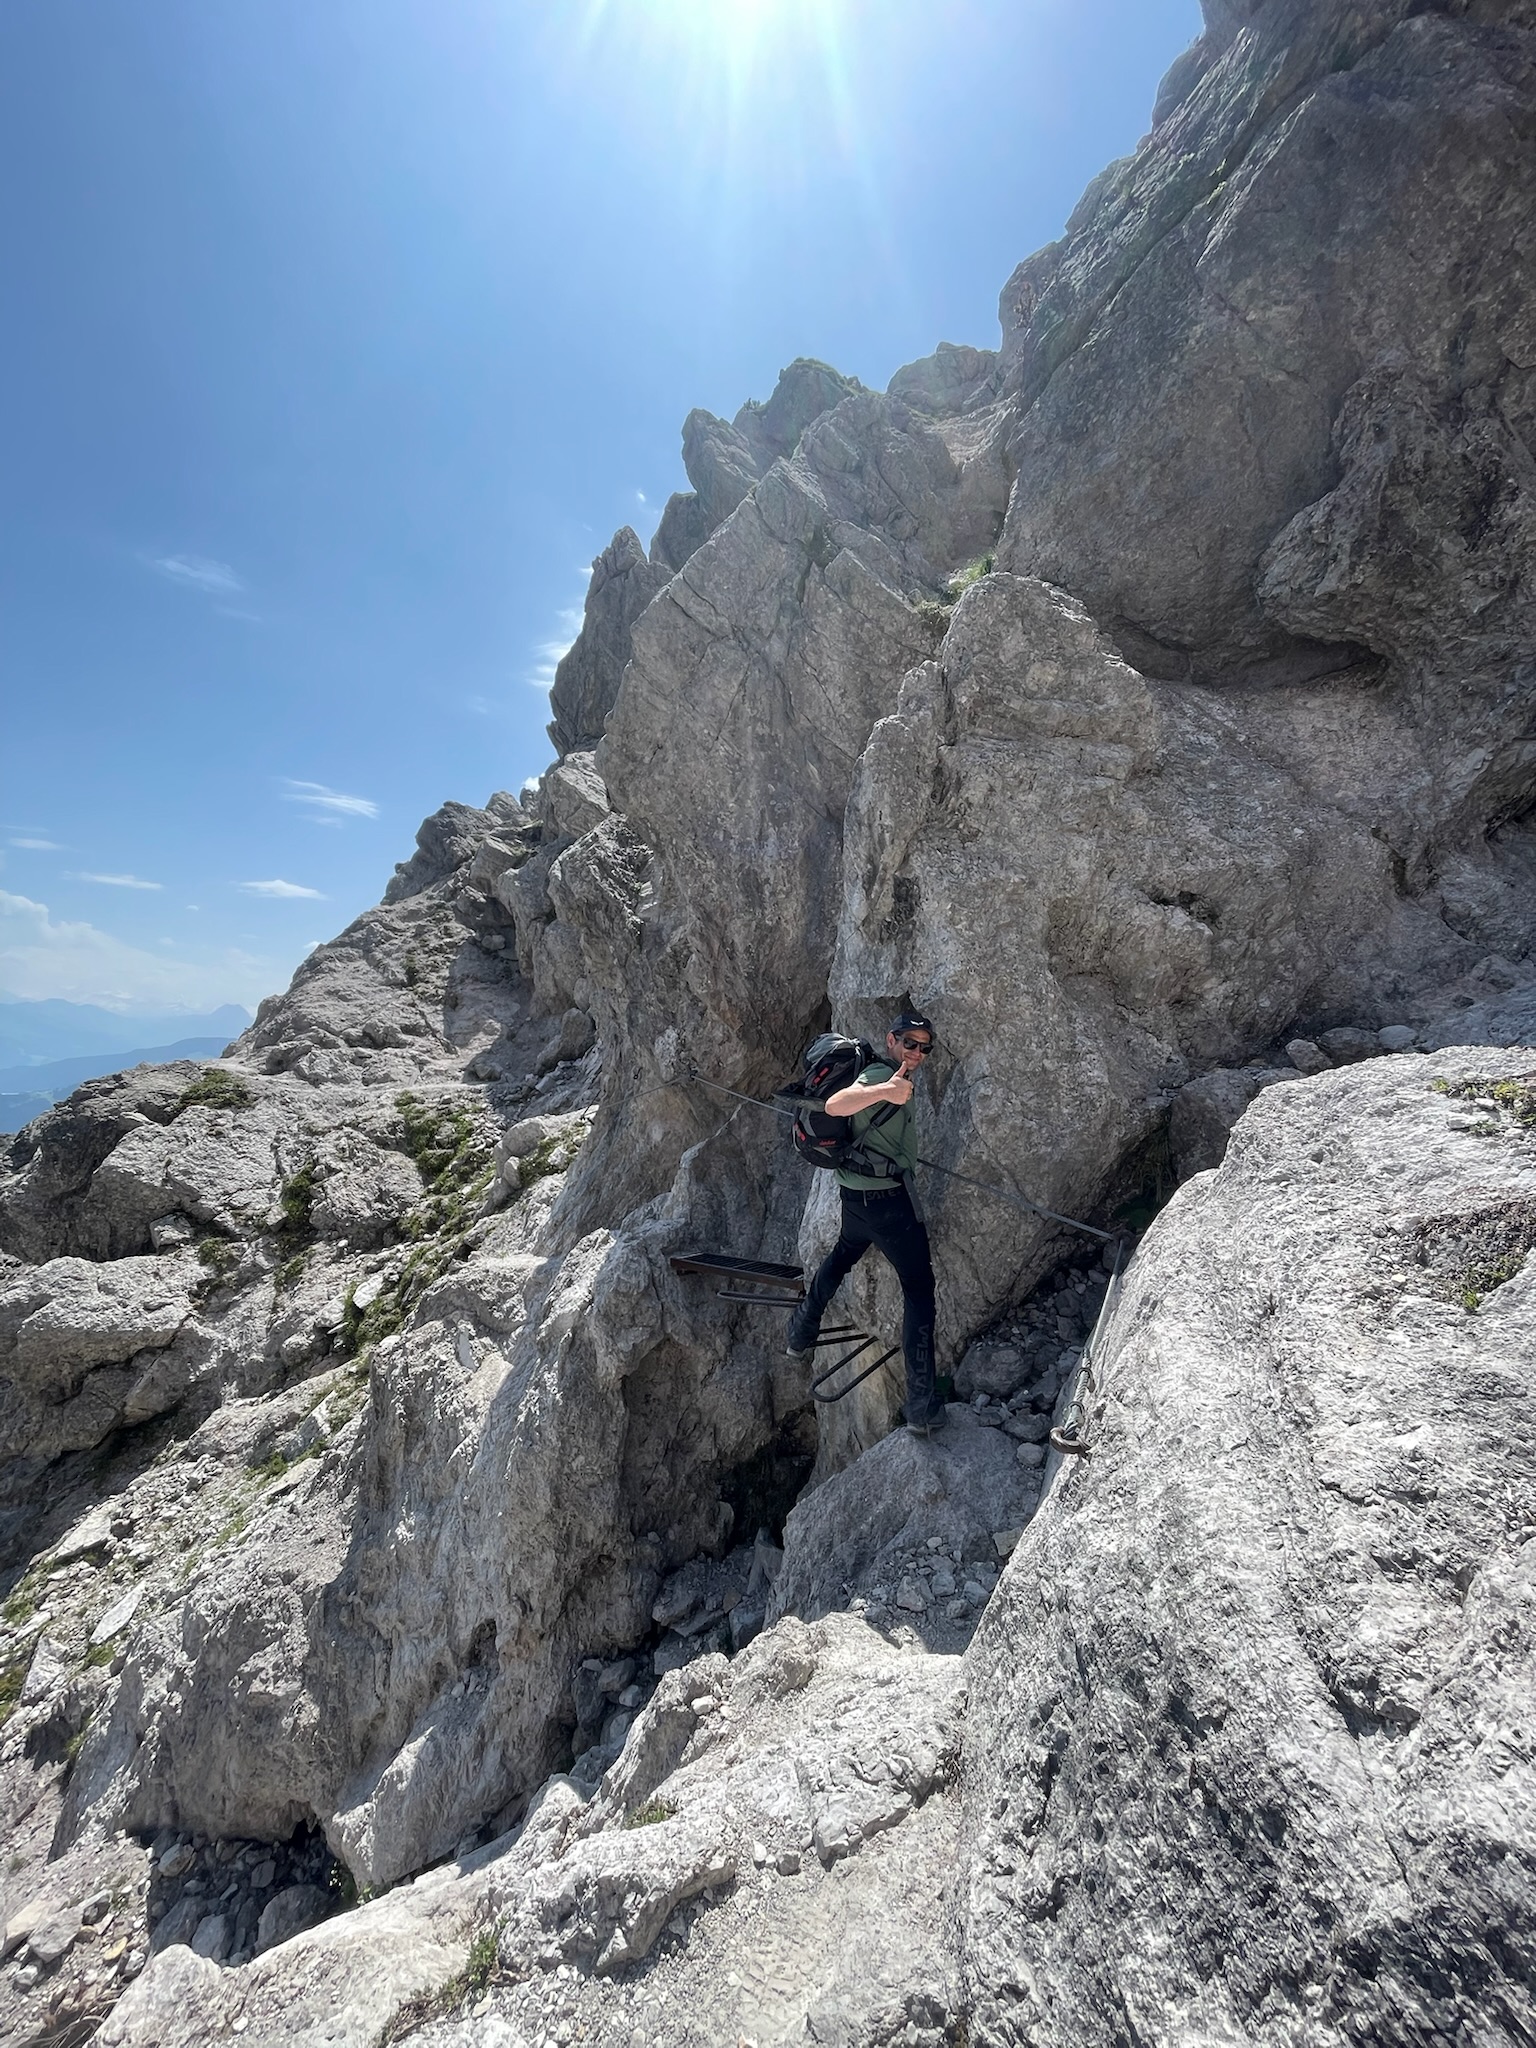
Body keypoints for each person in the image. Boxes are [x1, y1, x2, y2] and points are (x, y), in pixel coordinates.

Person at [784, 1011, 947, 1435]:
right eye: (909, 1043)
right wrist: (887, 1090)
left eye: (924, 1047)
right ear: (891, 1040)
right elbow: (836, 1105)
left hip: (855, 1202)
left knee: (841, 1257)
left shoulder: (885, 1071)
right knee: (918, 1290)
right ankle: (922, 1405)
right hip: (890, 1206)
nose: (916, 1053)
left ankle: (800, 1332)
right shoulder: (879, 1073)